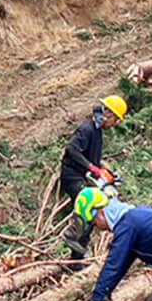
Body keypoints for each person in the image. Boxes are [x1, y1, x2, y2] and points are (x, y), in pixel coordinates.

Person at [60, 96, 128, 258]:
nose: (114, 125)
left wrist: (106, 173)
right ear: (108, 114)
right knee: (89, 205)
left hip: (82, 176)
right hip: (72, 176)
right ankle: (74, 247)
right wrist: (91, 168)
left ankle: (78, 252)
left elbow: (94, 160)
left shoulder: (97, 132)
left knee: (94, 208)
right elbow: (72, 149)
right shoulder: (87, 129)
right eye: (115, 120)